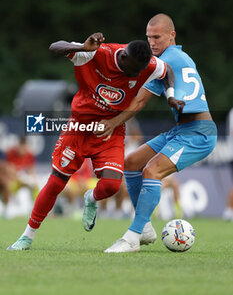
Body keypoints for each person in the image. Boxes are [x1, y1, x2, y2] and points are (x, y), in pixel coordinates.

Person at [7, 32, 183, 250]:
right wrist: (82, 47)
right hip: (79, 128)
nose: (137, 75)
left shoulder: (146, 64)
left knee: (111, 186)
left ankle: (91, 198)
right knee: (56, 183)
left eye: (140, 71)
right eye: (133, 70)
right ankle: (27, 236)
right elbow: (54, 46)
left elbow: (169, 72)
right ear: (124, 57)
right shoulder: (95, 53)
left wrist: (171, 95)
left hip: (111, 131)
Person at [96, 14, 217, 253]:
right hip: (182, 129)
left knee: (152, 170)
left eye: (157, 37)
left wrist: (113, 122)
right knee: (131, 163)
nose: (151, 42)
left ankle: (132, 237)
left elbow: (140, 101)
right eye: (148, 37)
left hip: (199, 134)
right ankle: (146, 228)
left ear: (172, 35)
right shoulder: (175, 57)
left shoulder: (166, 60)